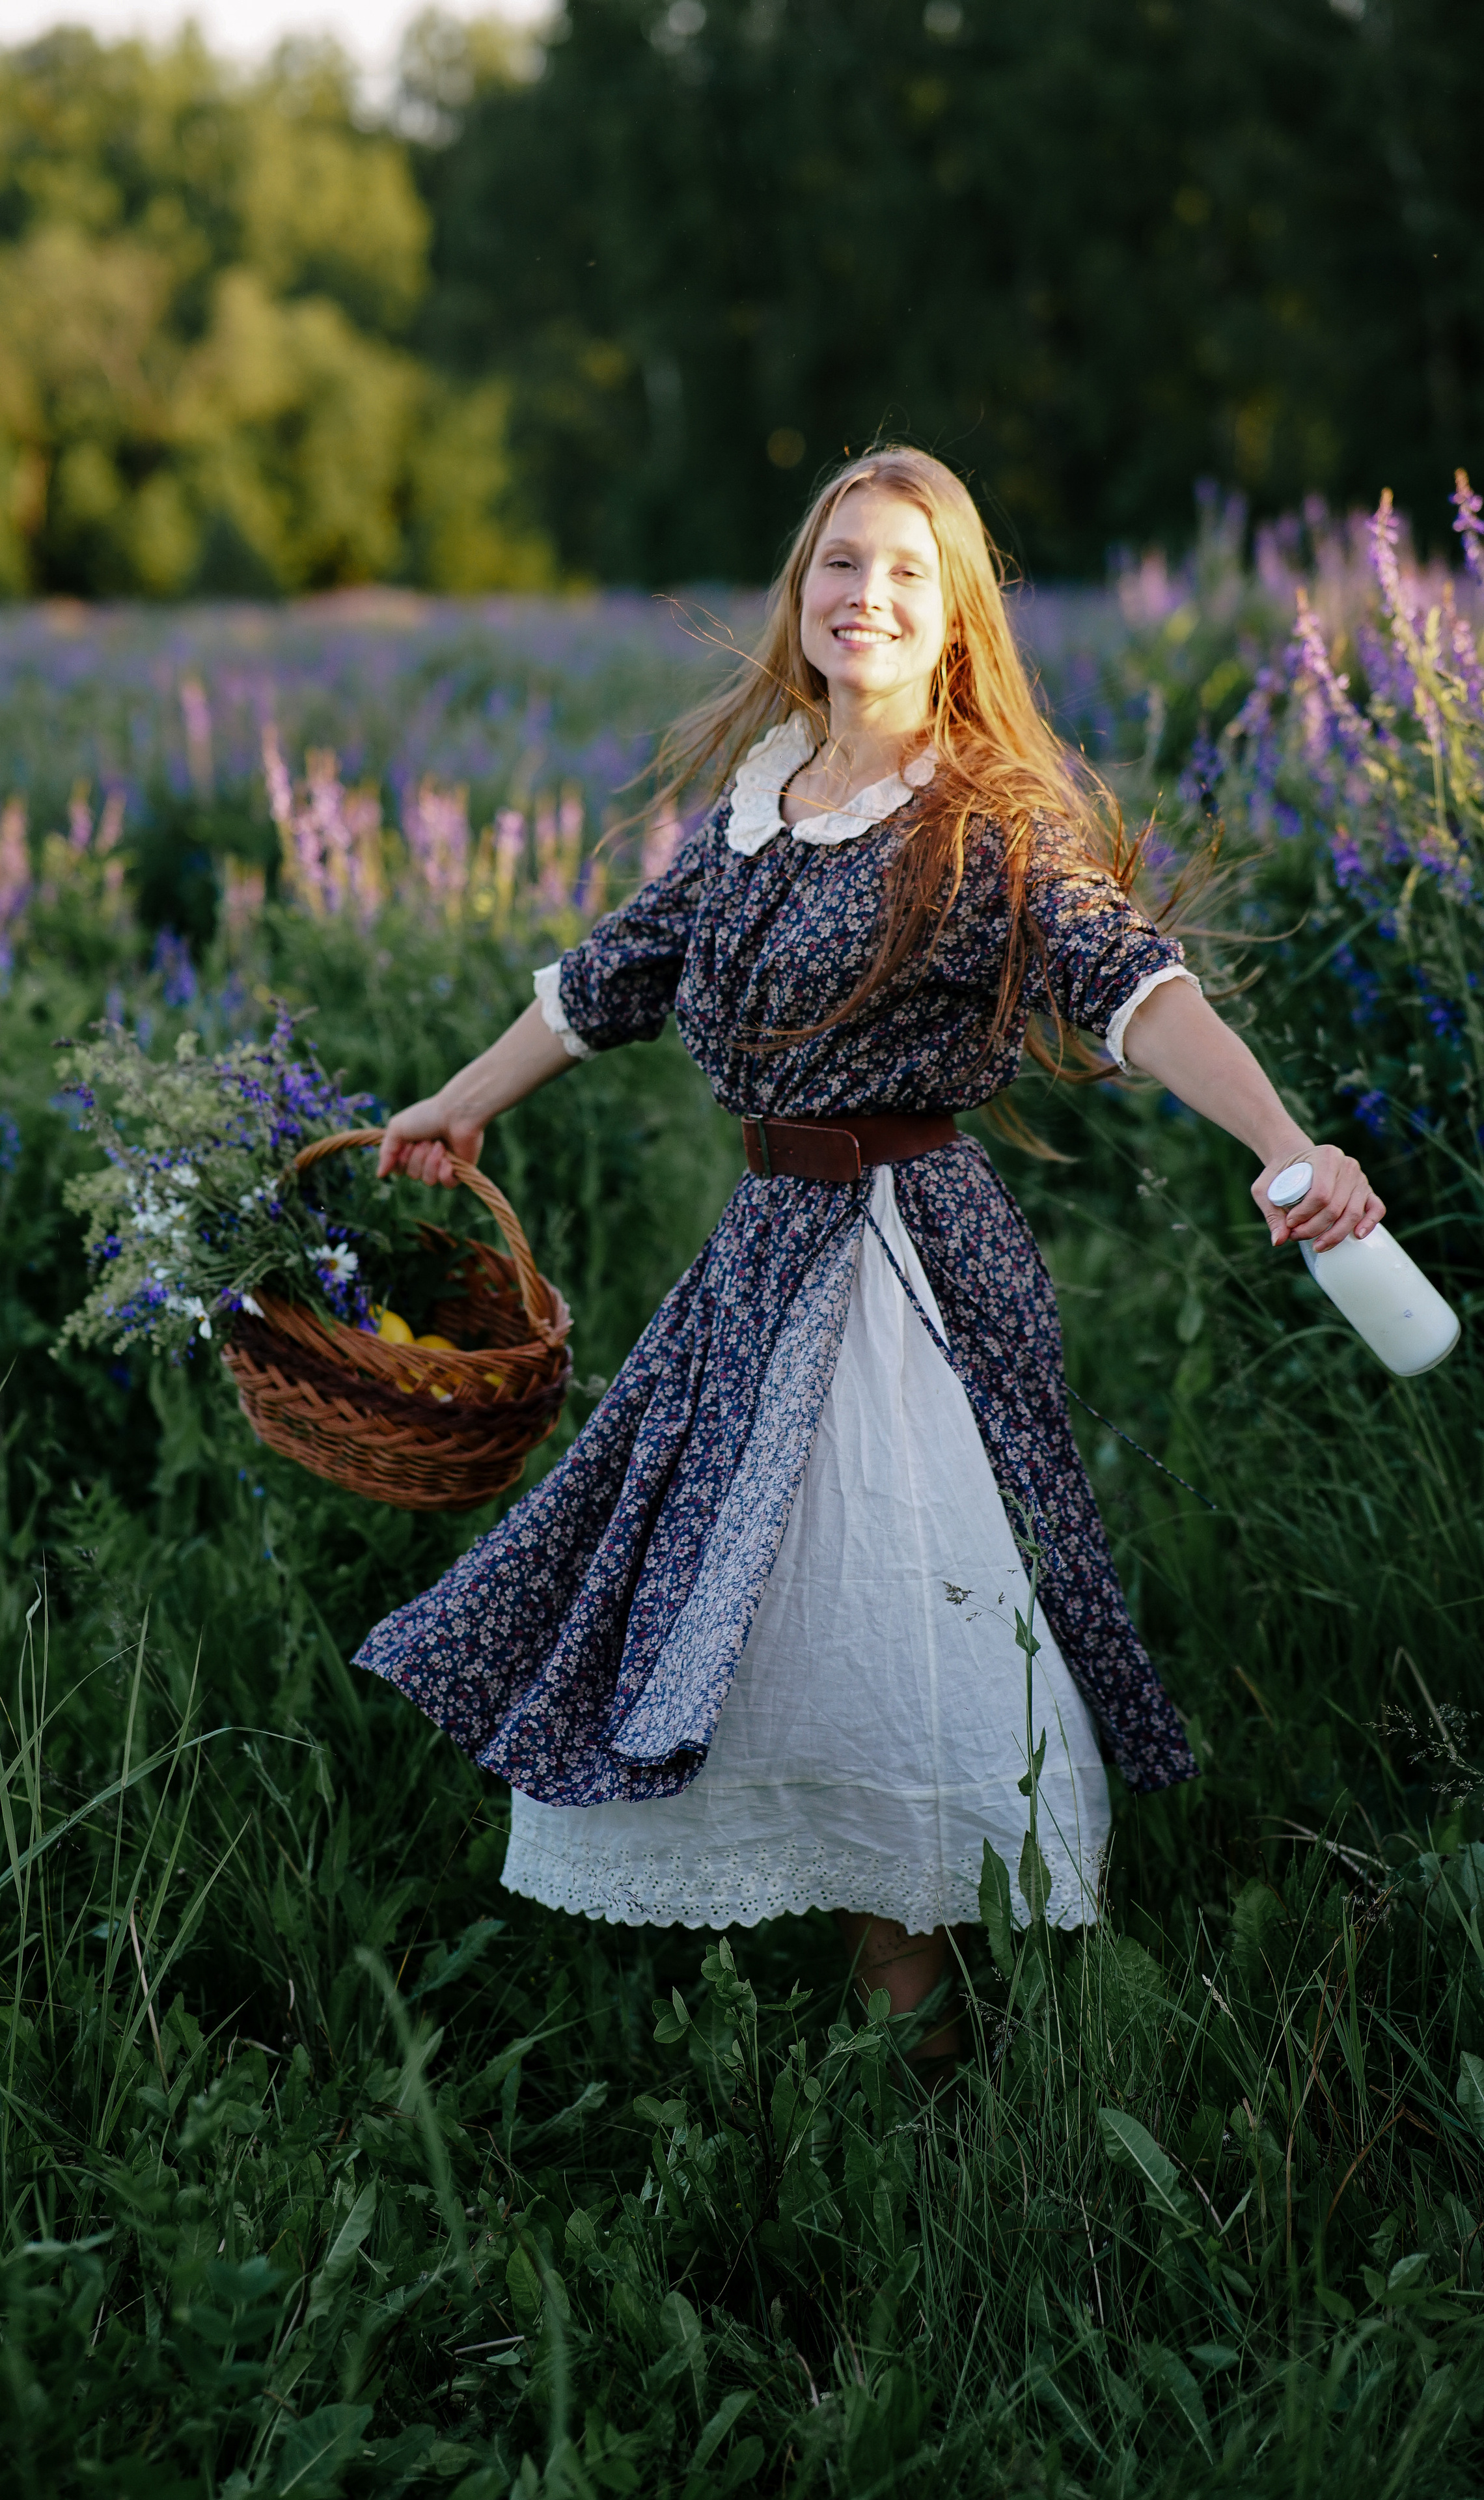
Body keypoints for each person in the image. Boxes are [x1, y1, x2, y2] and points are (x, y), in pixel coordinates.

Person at [357, 447, 1382, 2058]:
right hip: (768, 1250)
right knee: (754, 1594)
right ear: (802, 591)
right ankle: (873, 2009)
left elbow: (1133, 986)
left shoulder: (988, 821)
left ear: (956, 614)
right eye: (842, 564)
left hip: (909, 1261)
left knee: (895, 1606)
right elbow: (609, 977)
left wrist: (1285, 1147)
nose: (868, 598)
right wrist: (458, 1106)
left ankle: (914, 2053)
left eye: (907, 571)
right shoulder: (759, 798)